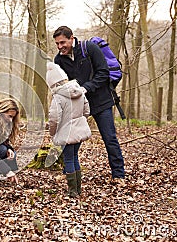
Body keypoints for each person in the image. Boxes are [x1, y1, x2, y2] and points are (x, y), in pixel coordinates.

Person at [52, 25, 125, 182]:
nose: (60, 47)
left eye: (63, 42)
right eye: (57, 44)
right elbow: (60, 83)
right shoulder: (58, 59)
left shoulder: (89, 49)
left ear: (72, 38)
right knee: (70, 138)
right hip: (77, 104)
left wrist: (85, 88)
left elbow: (103, 73)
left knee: (109, 138)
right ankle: (69, 171)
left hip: (101, 101)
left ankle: (118, 175)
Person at [46, 62, 92, 198]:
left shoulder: (58, 98)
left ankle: (72, 191)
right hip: (79, 131)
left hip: (65, 133)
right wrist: (80, 122)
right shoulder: (79, 91)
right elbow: (87, 111)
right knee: (75, 157)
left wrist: (52, 132)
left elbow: (54, 118)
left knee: (68, 160)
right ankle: (78, 189)